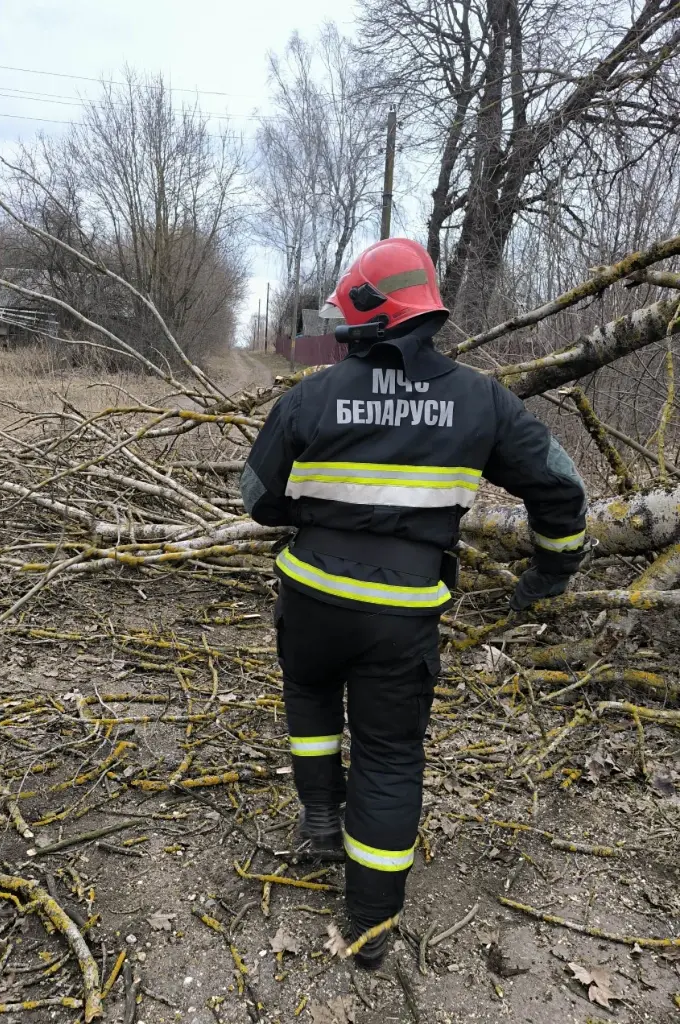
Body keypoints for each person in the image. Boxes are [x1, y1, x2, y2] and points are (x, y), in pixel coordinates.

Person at [240, 238, 588, 970]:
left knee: (307, 693)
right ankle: (369, 928)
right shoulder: (481, 399)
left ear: (365, 313)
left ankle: (320, 821)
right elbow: (561, 489)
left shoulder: (310, 394)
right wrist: (550, 572)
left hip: (310, 595)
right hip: (402, 614)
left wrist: (320, 504)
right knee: (391, 755)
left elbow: (258, 500)